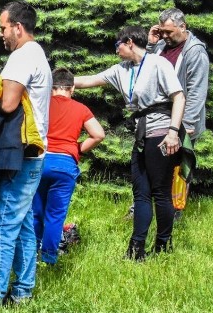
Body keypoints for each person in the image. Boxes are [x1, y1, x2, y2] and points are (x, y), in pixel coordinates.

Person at [75, 26, 185, 260]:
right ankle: (136, 250)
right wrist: (53, 80)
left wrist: (173, 132)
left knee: (161, 193)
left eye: (117, 46)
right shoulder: (121, 70)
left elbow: (178, 97)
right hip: (142, 135)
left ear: (129, 42)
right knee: (141, 193)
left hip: (162, 132)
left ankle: (163, 245)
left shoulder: (158, 64)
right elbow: (87, 81)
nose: (115, 51)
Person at [0, 1, 52, 309]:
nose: (1, 35)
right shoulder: (38, 54)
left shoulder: (22, 56)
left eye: (3, 28)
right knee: (21, 224)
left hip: (18, 155)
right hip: (34, 152)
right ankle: (22, 290)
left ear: (18, 28)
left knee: (1, 225)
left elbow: (8, 104)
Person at [32, 68, 105, 265]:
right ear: (72, 88)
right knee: (55, 215)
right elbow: (99, 134)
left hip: (40, 160)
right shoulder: (81, 109)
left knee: (36, 212)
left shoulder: (41, 104)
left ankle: (31, 255)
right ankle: (48, 258)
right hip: (64, 165)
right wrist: (77, 149)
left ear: (51, 87)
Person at [147, 8, 208, 219]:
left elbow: (197, 90)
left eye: (169, 32)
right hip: (159, 118)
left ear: (183, 27)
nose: (165, 36)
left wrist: (187, 123)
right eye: (162, 31)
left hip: (182, 121)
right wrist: (151, 44)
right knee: (154, 164)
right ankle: (147, 206)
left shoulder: (195, 52)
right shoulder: (161, 46)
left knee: (178, 168)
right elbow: (146, 69)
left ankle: (175, 212)